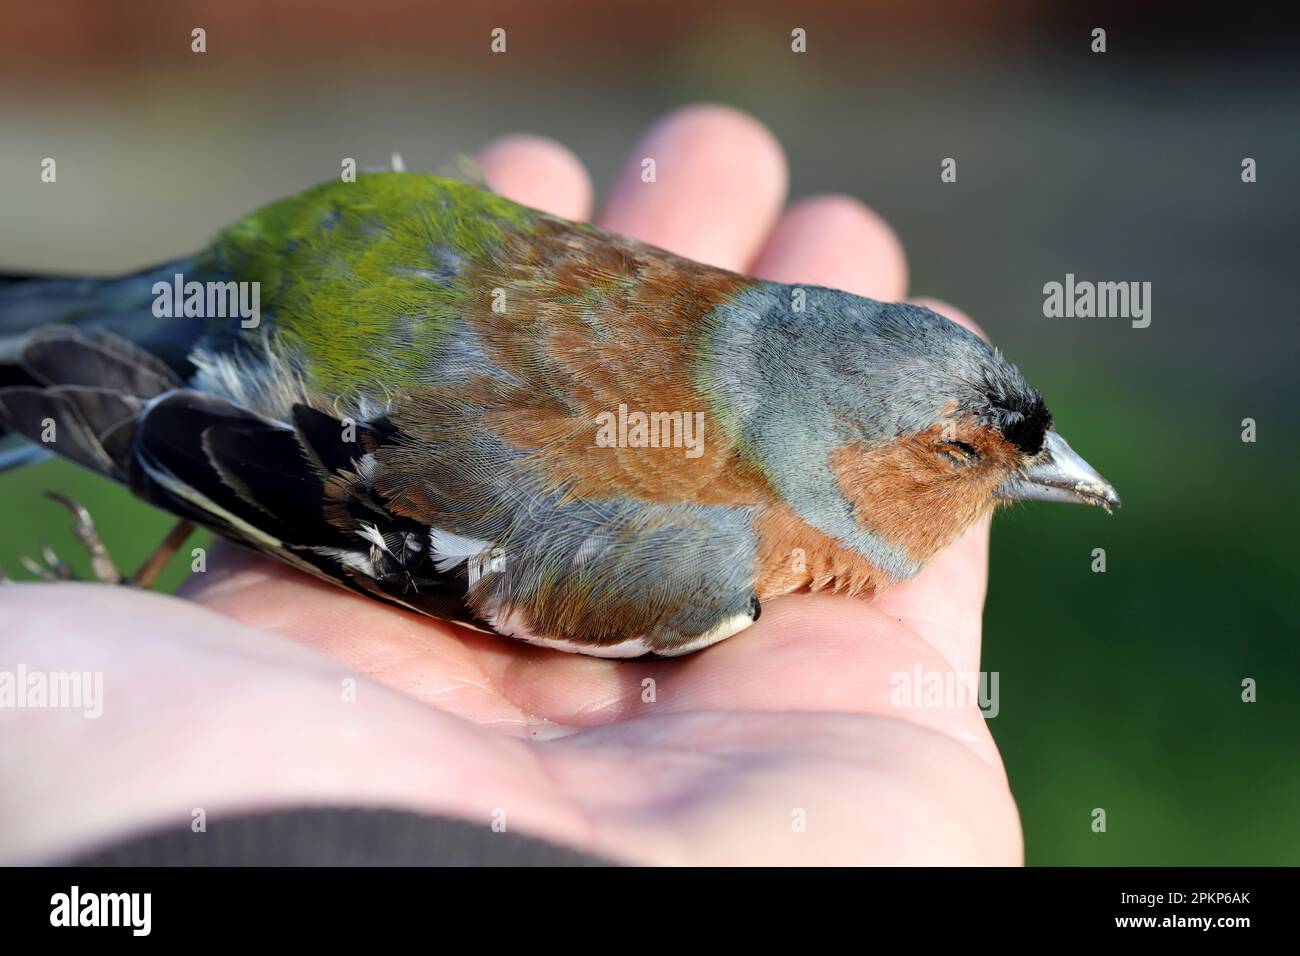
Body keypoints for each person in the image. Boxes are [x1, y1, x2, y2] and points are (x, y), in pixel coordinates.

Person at [0, 104, 1020, 866]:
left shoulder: (739, 311)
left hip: (399, 233)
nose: (1050, 474)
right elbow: (343, 502)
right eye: (962, 451)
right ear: (845, 438)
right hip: (296, 357)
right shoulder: (702, 561)